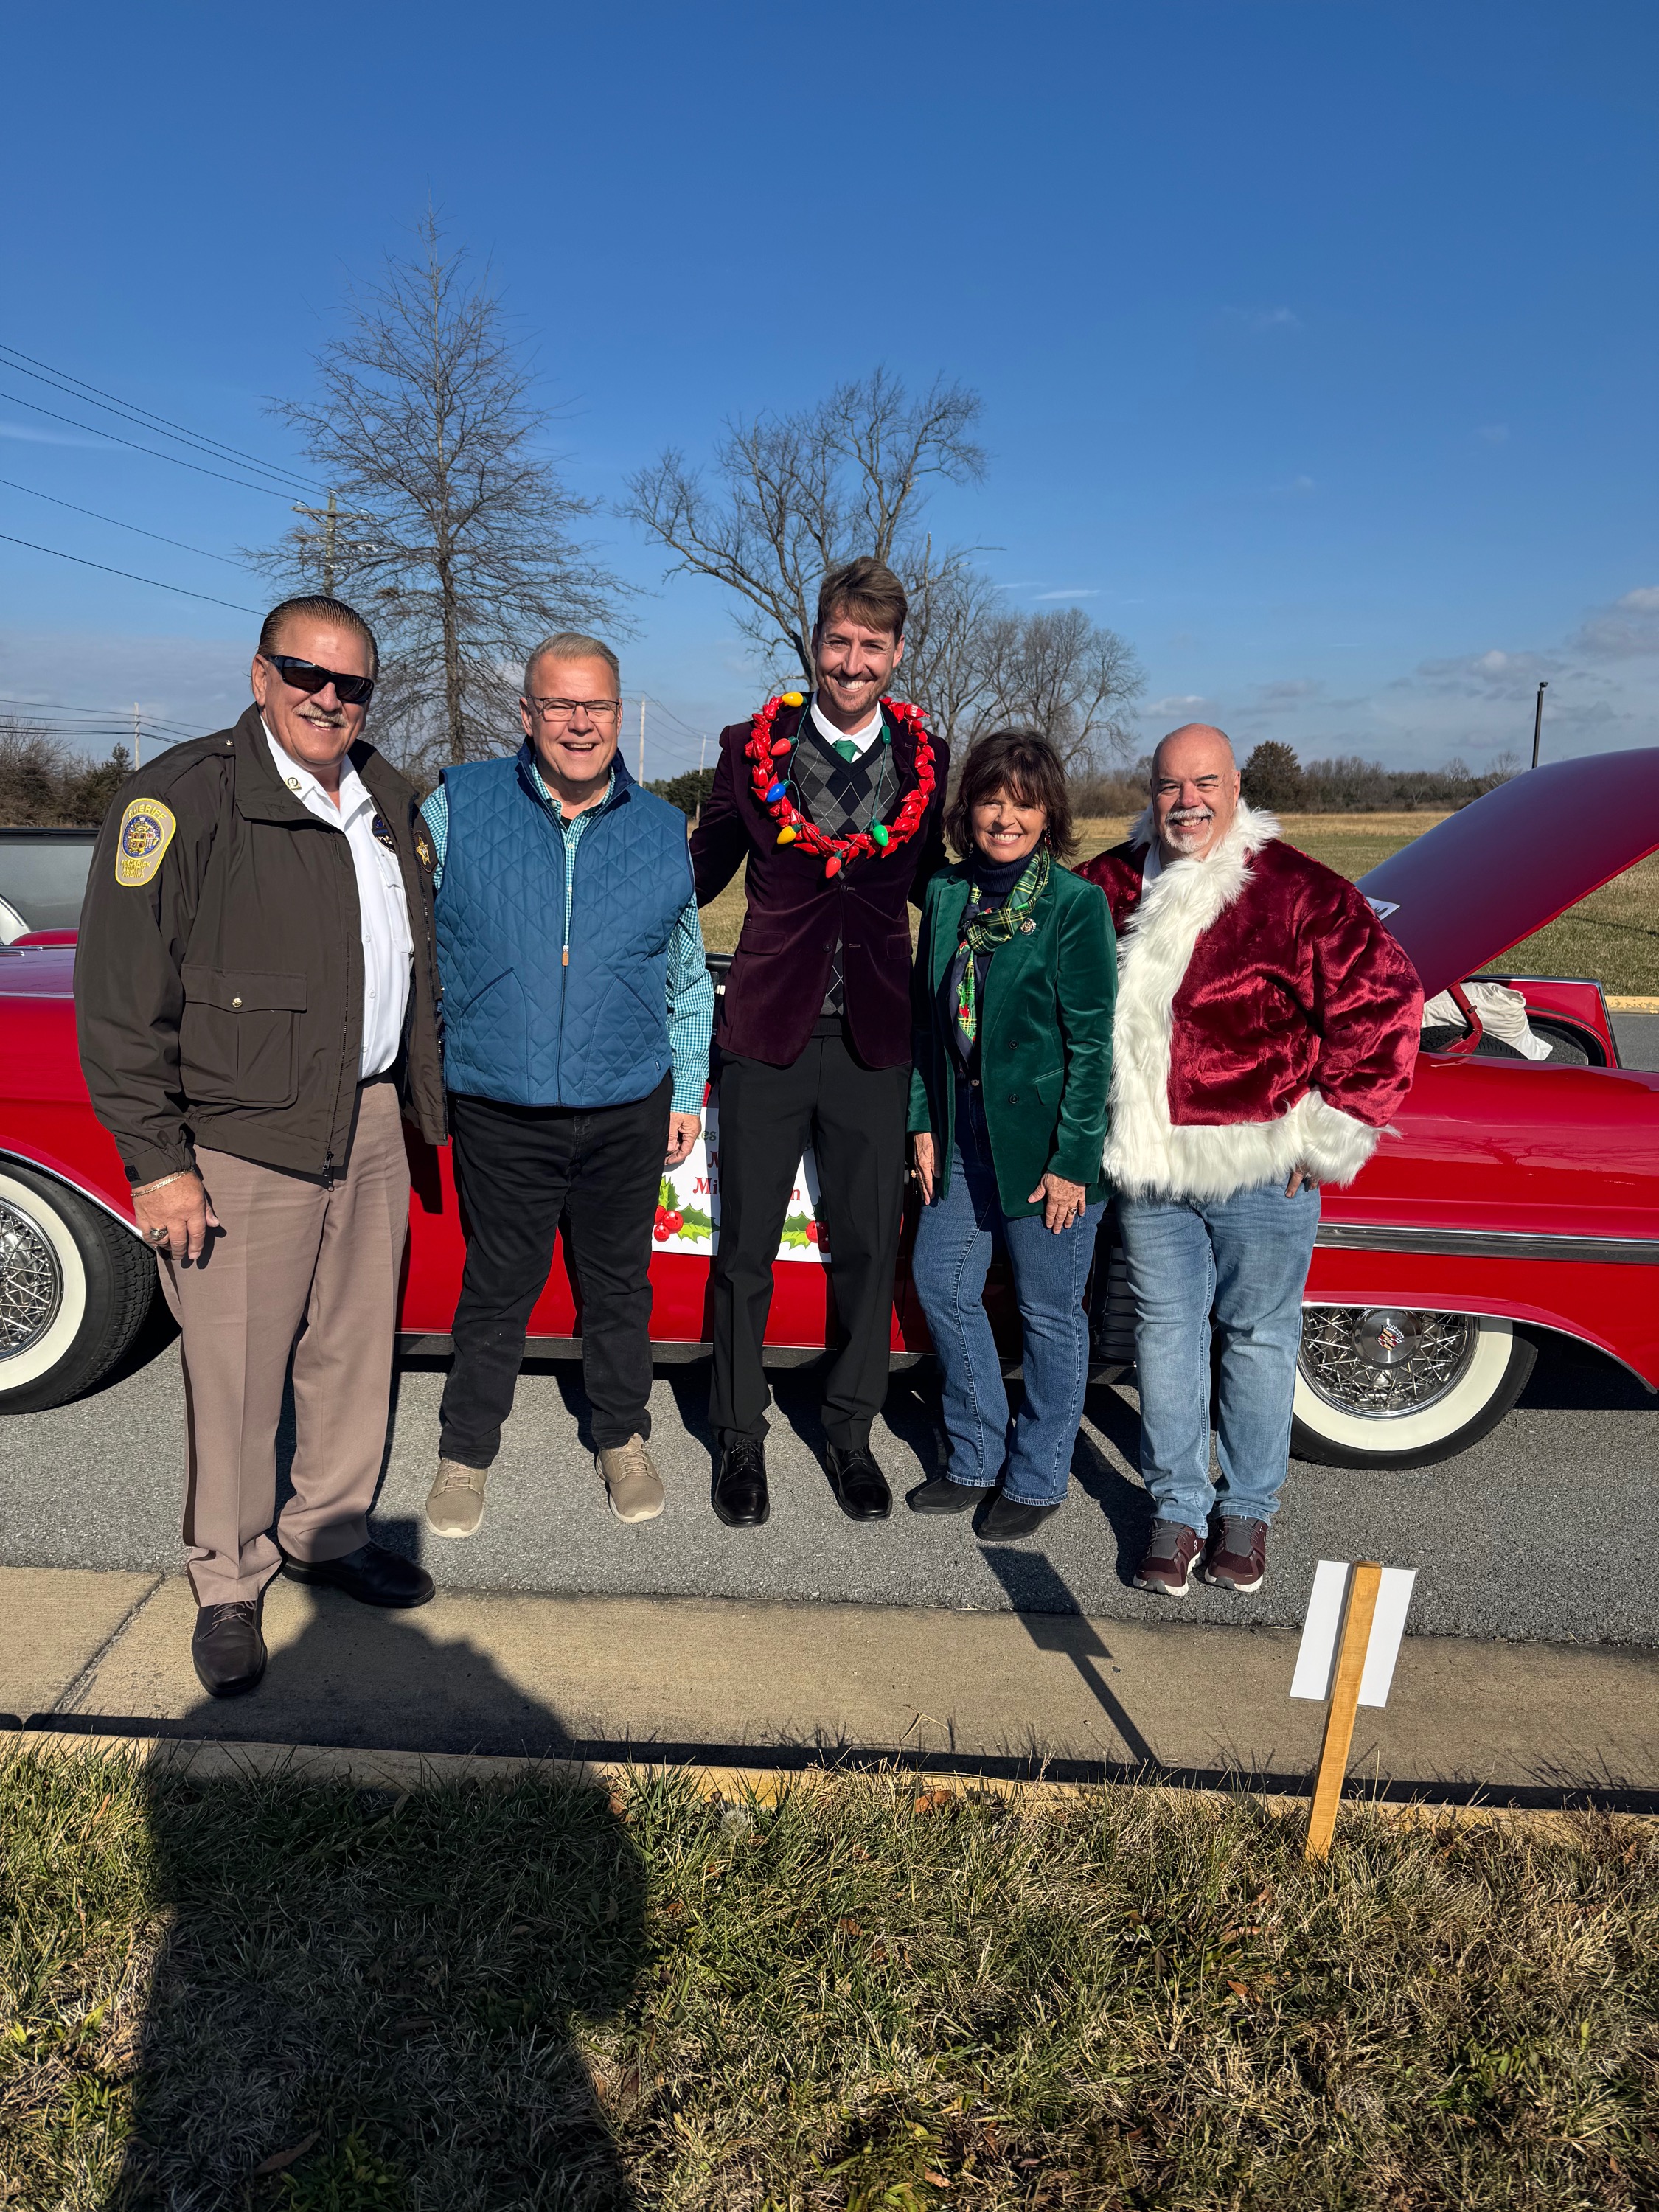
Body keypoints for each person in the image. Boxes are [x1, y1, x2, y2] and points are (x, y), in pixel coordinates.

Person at [77, 595, 445, 1699]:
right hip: (241, 1138)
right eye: (306, 675)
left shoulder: (383, 793)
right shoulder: (178, 801)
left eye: (352, 685)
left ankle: (327, 1535)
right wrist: (159, 1161)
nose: (329, 699)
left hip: (370, 1115)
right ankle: (227, 1582)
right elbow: (118, 1002)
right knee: (236, 1375)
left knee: (350, 1352)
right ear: (260, 674)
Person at [1079, 724, 1422, 1596]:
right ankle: (1177, 1509)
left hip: (1262, 1162)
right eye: (1167, 786)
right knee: (1166, 1334)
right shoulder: (1110, 883)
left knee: (1260, 1337)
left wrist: (1333, 1125)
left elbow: (1385, 1001)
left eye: (1203, 784)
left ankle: (1249, 1515)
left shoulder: (1298, 892)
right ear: (1149, 794)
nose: (1185, 802)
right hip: (1150, 1167)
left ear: (1235, 789)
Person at [422, 633, 713, 1537]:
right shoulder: (455, 806)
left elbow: (688, 974)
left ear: (618, 715)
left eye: (597, 707)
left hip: (626, 1103)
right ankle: (466, 1453)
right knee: (498, 1286)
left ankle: (622, 1436)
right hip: (500, 1105)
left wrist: (687, 1090)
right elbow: (396, 942)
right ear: (528, 715)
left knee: (619, 1287)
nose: (580, 724)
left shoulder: (665, 828)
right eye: (560, 705)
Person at [690, 558, 949, 1527]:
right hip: (767, 1031)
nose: (851, 663)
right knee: (744, 1250)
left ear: (895, 653)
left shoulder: (929, 756)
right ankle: (738, 1438)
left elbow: (939, 880)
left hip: (875, 1038)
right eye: (837, 642)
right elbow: (699, 871)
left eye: (871, 647)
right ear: (814, 643)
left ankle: (849, 1435)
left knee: (863, 1253)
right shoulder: (747, 747)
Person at [906, 731, 1116, 1538]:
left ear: (1047, 815)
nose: (1004, 817)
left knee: (1048, 1313)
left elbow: (1093, 1045)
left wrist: (1073, 1163)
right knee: (943, 1284)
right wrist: (923, 1120)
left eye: (1023, 803)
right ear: (970, 809)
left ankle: (1036, 1476)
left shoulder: (1073, 904)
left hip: (1046, 1151)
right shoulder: (951, 893)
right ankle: (974, 1455)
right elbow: (930, 1022)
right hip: (961, 1133)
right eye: (991, 799)